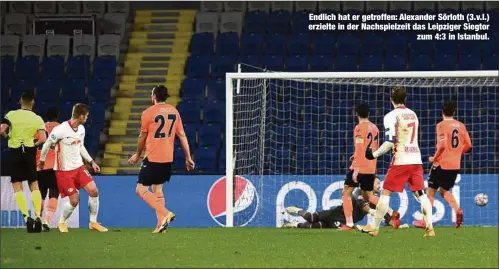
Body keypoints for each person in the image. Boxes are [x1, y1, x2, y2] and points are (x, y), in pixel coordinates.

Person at [364, 87, 435, 237]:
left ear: (391, 99)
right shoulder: (413, 114)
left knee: (385, 194)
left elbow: (390, 142)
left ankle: (374, 228)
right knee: (421, 195)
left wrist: (374, 155)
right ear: (405, 99)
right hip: (416, 159)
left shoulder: (391, 116)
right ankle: (430, 228)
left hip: (401, 160)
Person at [128, 85, 195, 234]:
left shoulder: (147, 113)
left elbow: (142, 137)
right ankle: (160, 226)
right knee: (157, 189)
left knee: (140, 190)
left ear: (154, 97)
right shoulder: (174, 112)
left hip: (152, 158)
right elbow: (182, 136)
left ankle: (165, 213)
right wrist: (188, 157)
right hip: (167, 159)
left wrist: (137, 155)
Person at [39, 103, 107, 233]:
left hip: (79, 167)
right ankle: (62, 222)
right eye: (86, 116)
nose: (87, 118)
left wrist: (91, 161)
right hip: (63, 170)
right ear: (80, 116)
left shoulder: (81, 129)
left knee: (94, 191)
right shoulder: (61, 129)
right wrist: (42, 161)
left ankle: (93, 222)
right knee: (74, 200)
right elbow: (47, 144)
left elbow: (80, 146)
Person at [414, 101, 472, 229]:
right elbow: (469, 145)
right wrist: (457, 152)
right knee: (444, 190)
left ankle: (426, 221)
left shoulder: (441, 125)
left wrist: (434, 158)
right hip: (455, 165)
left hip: (441, 164)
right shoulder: (461, 125)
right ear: (454, 113)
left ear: (442, 112)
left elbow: (442, 145)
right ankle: (458, 210)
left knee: (431, 191)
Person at [0, 91, 46, 233]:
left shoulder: (11, 114)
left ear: (20, 101)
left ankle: (27, 218)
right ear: (32, 102)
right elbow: (43, 139)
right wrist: (34, 144)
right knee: (34, 184)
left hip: (14, 152)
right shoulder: (37, 118)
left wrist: (8, 137)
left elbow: (2, 130)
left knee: (17, 185)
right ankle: (38, 216)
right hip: (29, 151)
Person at [282, 177, 394, 229]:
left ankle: (294, 224)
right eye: (378, 183)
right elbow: (361, 204)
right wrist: (371, 211)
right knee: (311, 217)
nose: (380, 185)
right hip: (335, 213)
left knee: (317, 226)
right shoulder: (359, 191)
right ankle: (296, 210)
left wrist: (391, 221)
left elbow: (384, 211)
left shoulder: (375, 200)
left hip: (342, 221)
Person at [341, 103, 381, 230]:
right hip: (371, 166)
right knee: (369, 196)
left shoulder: (358, 128)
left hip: (360, 166)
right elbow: (373, 148)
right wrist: (355, 155)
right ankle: (391, 213)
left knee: (346, 193)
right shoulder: (375, 128)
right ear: (368, 113)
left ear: (356, 113)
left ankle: (349, 224)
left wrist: (356, 169)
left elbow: (359, 148)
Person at [34, 107, 61, 232]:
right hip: (55, 166)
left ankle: (38, 219)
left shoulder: (40, 128)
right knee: (54, 193)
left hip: (40, 165)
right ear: (57, 116)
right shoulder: (62, 128)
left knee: (41, 193)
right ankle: (46, 222)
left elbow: (35, 144)